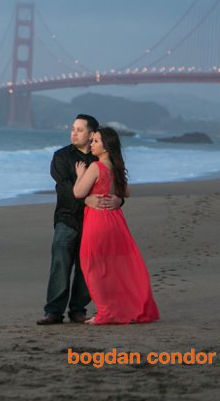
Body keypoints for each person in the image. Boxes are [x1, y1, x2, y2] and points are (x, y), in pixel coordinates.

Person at [37, 114, 122, 325]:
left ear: (92, 134)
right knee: (60, 263)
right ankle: (54, 311)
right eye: (73, 128)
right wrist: (87, 200)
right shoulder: (61, 156)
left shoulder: (99, 157)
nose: (73, 133)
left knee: (87, 267)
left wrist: (119, 201)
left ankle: (77, 309)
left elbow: (114, 184)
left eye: (80, 129)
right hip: (67, 217)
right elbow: (64, 187)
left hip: (95, 220)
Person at [73, 126, 159, 325]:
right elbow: (126, 192)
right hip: (115, 220)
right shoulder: (116, 168)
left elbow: (78, 192)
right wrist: (117, 198)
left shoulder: (95, 167)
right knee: (115, 267)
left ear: (106, 146)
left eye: (95, 141)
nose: (91, 144)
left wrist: (80, 174)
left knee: (93, 267)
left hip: (97, 220)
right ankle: (118, 308)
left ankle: (105, 312)